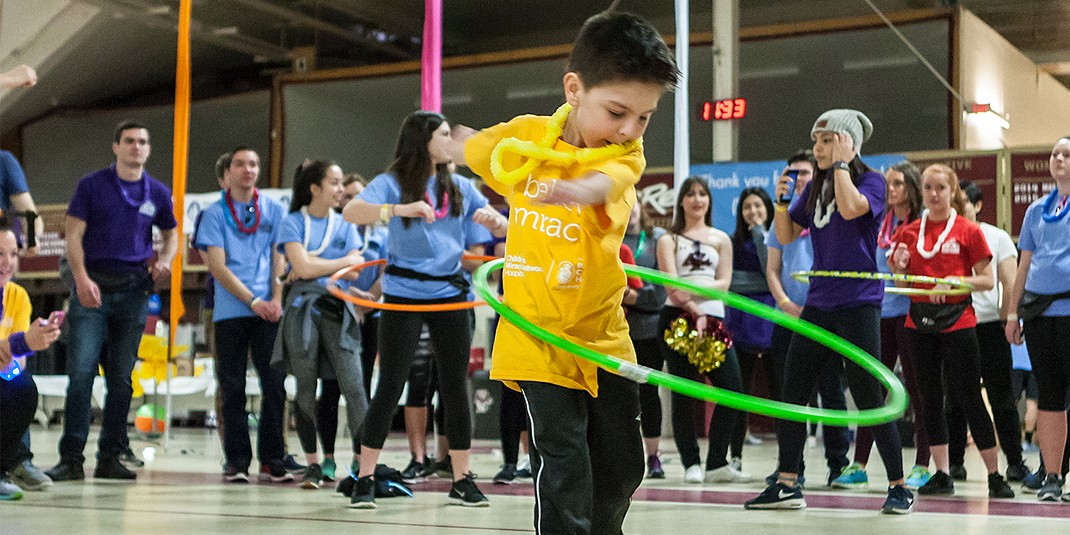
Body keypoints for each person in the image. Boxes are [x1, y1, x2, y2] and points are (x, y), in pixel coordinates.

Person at [453, 9, 677, 532]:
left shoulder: (626, 154)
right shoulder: (525, 138)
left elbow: (607, 182)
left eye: (643, 117)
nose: (628, 129)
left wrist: (576, 190)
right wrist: (442, 143)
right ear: (574, 88)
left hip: (603, 334)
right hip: (537, 335)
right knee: (565, 461)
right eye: (618, 112)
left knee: (623, 465)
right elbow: (476, 147)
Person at [745, 109, 913, 514]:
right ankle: (787, 482)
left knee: (868, 394)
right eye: (817, 141)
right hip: (818, 303)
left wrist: (840, 164)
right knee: (792, 392)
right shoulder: (815, 186)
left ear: (849, 144)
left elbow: (854, 209)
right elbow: (786, 236)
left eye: (826, 141)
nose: (818, 149)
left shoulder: (870, 180)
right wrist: (783, 203)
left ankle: (898, 486)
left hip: (858, 303)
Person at [342, 110, 507, 509]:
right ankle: (365, 477)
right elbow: (352, 212)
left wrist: (496, 221)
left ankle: (462, 477)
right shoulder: (392, 182)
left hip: (450, 295)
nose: (451, 140)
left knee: (455, 387)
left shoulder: (461, 186)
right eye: (445, 133)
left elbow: (504, 228)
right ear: (423, 139)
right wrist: (398, 210)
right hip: (402, 296)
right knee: (390, 385)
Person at [47, 121, 178, 482]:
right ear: (115, 146)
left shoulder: (158, 192)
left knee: (121, 379)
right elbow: (73, 238)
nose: (137, 147)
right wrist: (82, 279)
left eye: (143, 142)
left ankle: (110, 456)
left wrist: (166, 260)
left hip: (134, 289)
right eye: (130, 141)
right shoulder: (91, 186)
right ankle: (71, 459)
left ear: (149, 149)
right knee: (82, 374)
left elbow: (172, 234)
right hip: (92, 289)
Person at [887, 164, 1014, 498]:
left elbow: (987, 281)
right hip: (919, 323)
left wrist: (957, 282)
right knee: (929, 399)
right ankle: (942, 472)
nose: (933, 194)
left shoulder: (968, 231)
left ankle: (993, 474)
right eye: (928, 187)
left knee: (970, 397)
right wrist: (896, 268)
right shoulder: (910, 231)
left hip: (959, 322)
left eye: (941, 188)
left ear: (953, 190)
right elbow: (903, 284)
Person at [195, 146, 291, 484]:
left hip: (269, 309)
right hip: (231, 311)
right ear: (229, 172)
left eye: (253, 163)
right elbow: (218, 267)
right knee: (232, 386)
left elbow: (280, 256)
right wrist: (253, 301)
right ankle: (236, 460)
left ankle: (273, 458)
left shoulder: (275, 211)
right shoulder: (214, 214)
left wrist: (277, 298)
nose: (247, 169)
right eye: (239, 164)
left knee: (275, 384)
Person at [832, 161, 930, 490]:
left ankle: (922, 463)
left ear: (912, 189)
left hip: (911, 312)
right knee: (870, 388)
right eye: (888, 182)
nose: (891, 189)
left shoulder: (922, 224)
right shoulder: (878, 218)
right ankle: (859, 463)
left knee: (917, 389)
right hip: (878, 310)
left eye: (899, 183)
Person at [275, 160, 370, 489]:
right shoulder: (291, 222)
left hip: (337, 310)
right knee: (304, 388)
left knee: (354, 387)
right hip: (303, 311)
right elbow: (300, 266)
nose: (340, 189)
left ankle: (363, 463)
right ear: (314, 188)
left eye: (341, 182)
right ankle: (314, 463)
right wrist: (342, 261)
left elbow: (357, 271)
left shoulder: (345, 224)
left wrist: (314, 266)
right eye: (334, 182)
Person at [765, 149, 850, 488]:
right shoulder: (782, 218)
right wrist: (785, 303)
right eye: (792, 173)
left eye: (803, 173)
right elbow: (773, 270)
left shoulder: (827, 214)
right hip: (787, 320)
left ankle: (838, 466)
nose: (797, 179)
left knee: (832, 394)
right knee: (790, 397)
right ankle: (790, 468)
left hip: (824, 317)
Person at [656, 177, 750, 485]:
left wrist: (697, 297)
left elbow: (724, 286)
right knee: (684, 392)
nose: (697, 199)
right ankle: (690, 463)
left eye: (702, 194)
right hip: (677, 320)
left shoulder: (721, 238)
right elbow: (672, 286)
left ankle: (716, 462)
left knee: (732, 390)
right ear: (680, 201)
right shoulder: (668, 239)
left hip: (714, 322)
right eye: (691, 194)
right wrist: (691, 306)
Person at [945, 181, 1030, 483]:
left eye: (964, 202)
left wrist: (1008, 317)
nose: (958, 207)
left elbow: (1009, 280)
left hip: (989, 326)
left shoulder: (996, 236)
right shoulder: (944, 236)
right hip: (953, 324)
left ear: (978, 205)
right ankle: (954, 463)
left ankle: (1016, 462)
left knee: (1002, 398)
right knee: (954, 399)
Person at [1005, 135, 1070, 502]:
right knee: (1049, 394)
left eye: (1066, 154)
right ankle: (1052, 474)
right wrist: (1013, 312)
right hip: (1040, 314)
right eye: (1054, 153)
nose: (1058, 158)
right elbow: (1023, 265)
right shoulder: (1035, 211)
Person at [0, 219, 62, 500]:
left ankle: (13, 464)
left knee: (21, 386)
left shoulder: (18, 296)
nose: (8, 262)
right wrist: (22, 342)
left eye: (13, 254)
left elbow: (18, 362)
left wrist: (26, 346)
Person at [724, 186, 775, 469]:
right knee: (738, 391)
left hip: (771, 318)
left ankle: (790, 463)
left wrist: (760, 234)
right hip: (740, 322)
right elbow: (729, 281)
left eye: (757, 206)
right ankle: (735, 456)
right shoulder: (732, 242)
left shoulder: (774, 238)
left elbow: (771, 272)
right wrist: (760, 282)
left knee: (780, 391)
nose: (752, 212)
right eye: (746, 207)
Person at [622, 201, 669, 478]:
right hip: (617, 331)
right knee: (623, 397)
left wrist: (632, 297)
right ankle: (626, 456)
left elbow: (661, 293)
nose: (628, 211)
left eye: (632, 204)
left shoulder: (656, 240)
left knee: (649, 394)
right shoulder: (607, 239)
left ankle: (653, 457)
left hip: (650, 331)